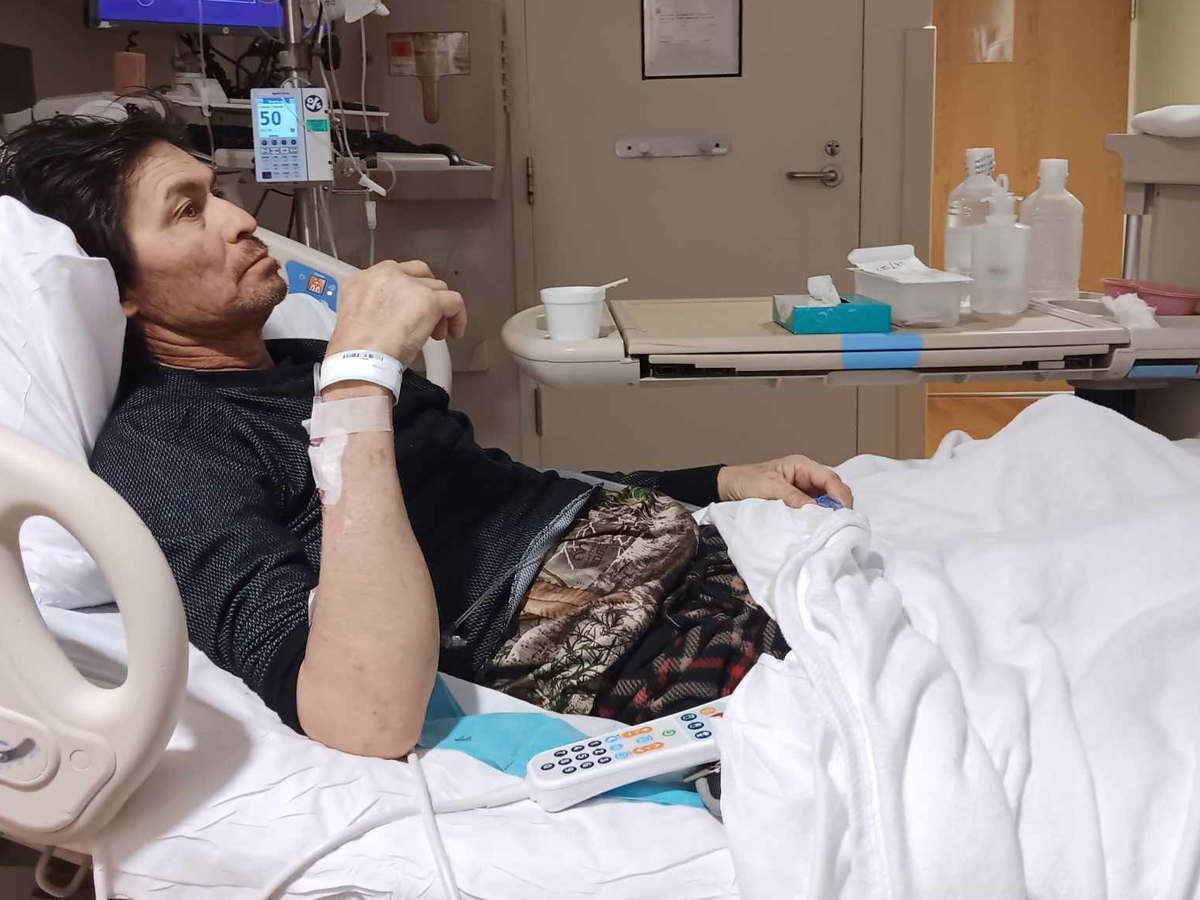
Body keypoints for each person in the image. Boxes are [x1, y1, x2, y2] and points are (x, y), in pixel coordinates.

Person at [0, 108, 852, 759]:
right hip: (640, 650)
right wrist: (358, 381)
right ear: (115, 289)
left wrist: (718, 481)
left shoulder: (305, 361)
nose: (239, 218)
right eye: (188, 211)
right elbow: (354, 713)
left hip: (716, 567)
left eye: (216, 190)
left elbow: (506, 492)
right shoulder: (165, 452)